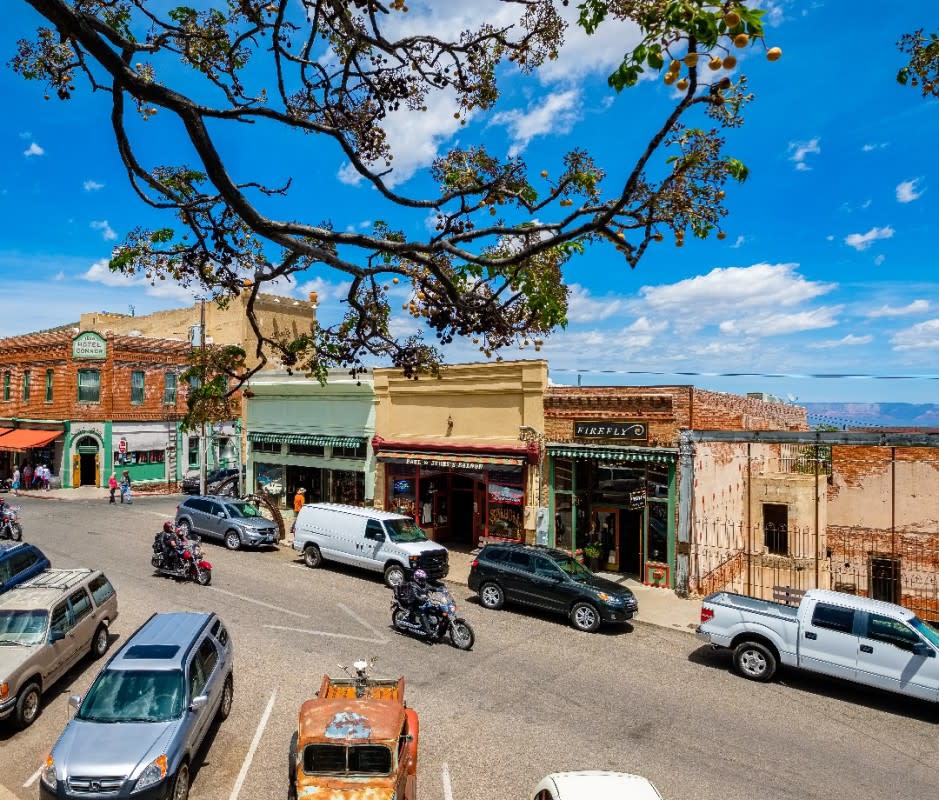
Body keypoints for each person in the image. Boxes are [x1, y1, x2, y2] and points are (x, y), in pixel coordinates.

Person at [400, 569, 435, 639]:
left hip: (421, 603)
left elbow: (431, 587)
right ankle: (428, 630)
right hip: (413, 604)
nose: (423, 580)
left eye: (424, 579)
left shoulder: (424, 585)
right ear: (417, 578)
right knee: (422, 613)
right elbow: (416, 596)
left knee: (433, 609)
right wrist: (423, 598)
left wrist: (441, 589)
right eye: (422, 579)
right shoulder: (414, 585)